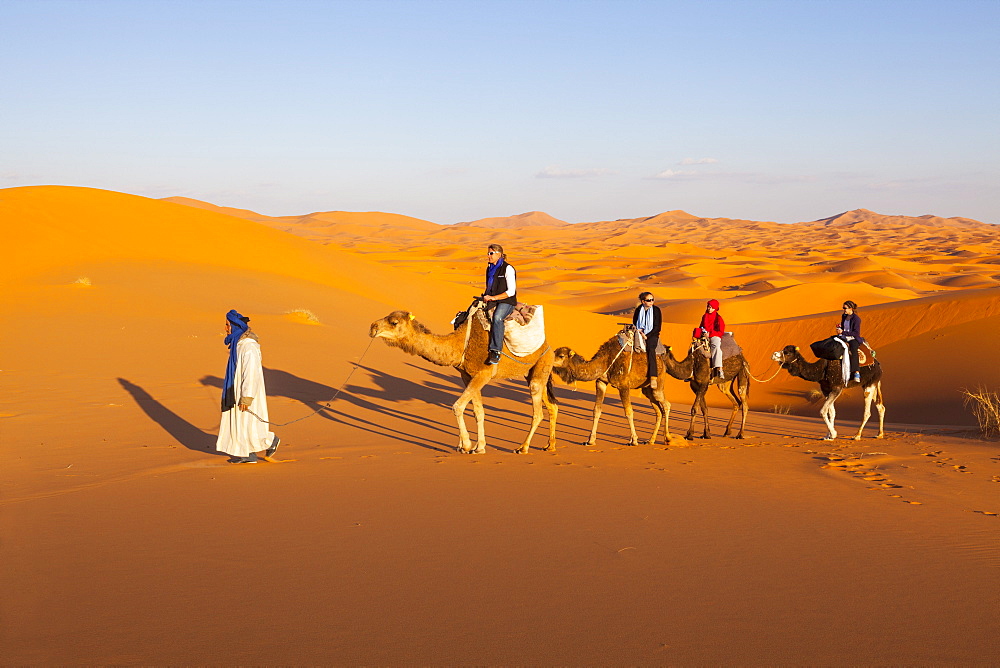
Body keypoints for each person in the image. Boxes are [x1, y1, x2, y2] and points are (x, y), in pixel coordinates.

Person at [216, 309, 280, 463]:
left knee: (249, 422)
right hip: (237, 390)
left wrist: (247, 396)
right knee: (240, 421)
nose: (225, 328)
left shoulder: (248, 346)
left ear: (235, 325)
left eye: (227, 325)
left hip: (246, 393)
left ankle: (270, 441)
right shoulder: (238, 345)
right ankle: (247, 455)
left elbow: (251, 371)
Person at [481, 243, 518, 365]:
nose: (488, 256)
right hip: (492, 299)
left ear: (499, 254)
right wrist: (486, 296)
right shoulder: (489, 268)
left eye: (491, 253)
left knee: (497, 318)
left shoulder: (508, 269)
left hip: (506, 301)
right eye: (488, 253)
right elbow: (489, 286)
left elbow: (511, 292)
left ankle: (496, 351)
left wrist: (493, 297)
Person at [632, 291, 662, 389]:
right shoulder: (638, 310)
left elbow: (657, 326)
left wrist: (647, 336)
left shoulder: (656, 310)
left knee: (650, 349)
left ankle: (653, 376)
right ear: (643, 301)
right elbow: (635, 322)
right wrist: (639, 331)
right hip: (639, 332)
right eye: (649, 300)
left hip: (652, 334)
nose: (651, 302)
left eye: (652, 300)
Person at [698, 298, 726, 379]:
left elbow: (721, 331)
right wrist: (702, 331)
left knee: (716, 347)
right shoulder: (705, 316)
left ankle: (719, 369)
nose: (709, 309)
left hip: (714, 335)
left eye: (711, 307)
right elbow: (701, 326)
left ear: (715, 308)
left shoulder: (718, 318)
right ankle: (691, 371)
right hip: (704, 335)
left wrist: (710, 334)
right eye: (708, 307)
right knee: (694, 347)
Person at [836, 300, 864, 383]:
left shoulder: (856, 319)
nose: (844, 310)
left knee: (853, 350)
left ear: (851, 308)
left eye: (845, 308)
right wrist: (840, 329)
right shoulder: (844, 316)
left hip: (853, 338)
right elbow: (844, 327)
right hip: (843, 337)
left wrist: (843, 332)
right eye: (843, 308)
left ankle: (856, 372)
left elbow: (856, 333)